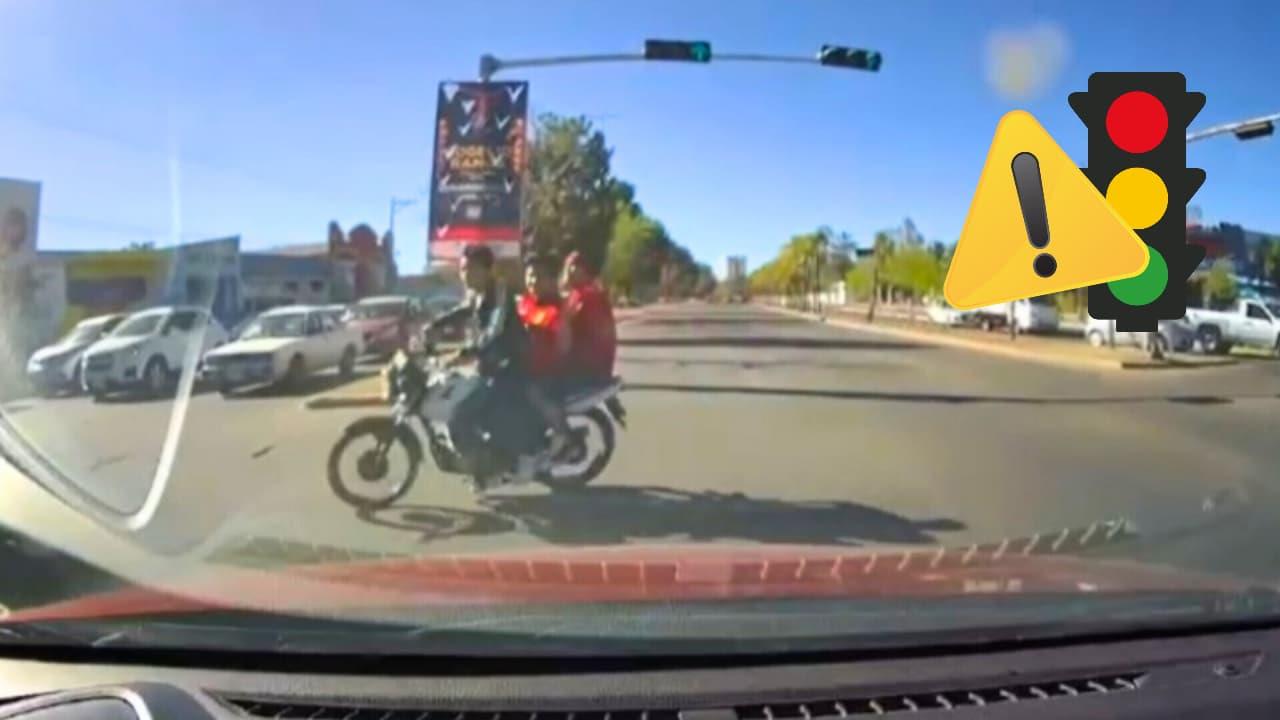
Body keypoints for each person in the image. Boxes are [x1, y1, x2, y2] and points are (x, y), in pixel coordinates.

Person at [423, 244, 535, 484]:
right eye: (462, 269)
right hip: (489, 363)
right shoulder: (476, 294)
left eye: (472, 269)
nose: (465, 275)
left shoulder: (499, 292)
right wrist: (435, 325)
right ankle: (480, 460)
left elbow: (494, 330)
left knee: (460, 414)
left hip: (510, 363)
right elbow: (464, 310)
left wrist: (465, 353)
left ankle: (495, 468)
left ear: (488, 270)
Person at [517, 253, 573, 455]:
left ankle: (561, 432)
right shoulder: (526, 302)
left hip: (547, 371)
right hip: (523, 364)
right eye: (530, 275)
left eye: (540, 276)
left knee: (532, 392)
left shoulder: (556, 309)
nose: (533, 281)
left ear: (552, 280)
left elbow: (563, 345)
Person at [561, 250, 617, 383]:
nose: (572, 273)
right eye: (570, 269)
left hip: (588, 365)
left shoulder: (588, 295)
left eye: (576, 269)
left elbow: (595, 333)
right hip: (593, 363)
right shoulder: (578, 294)